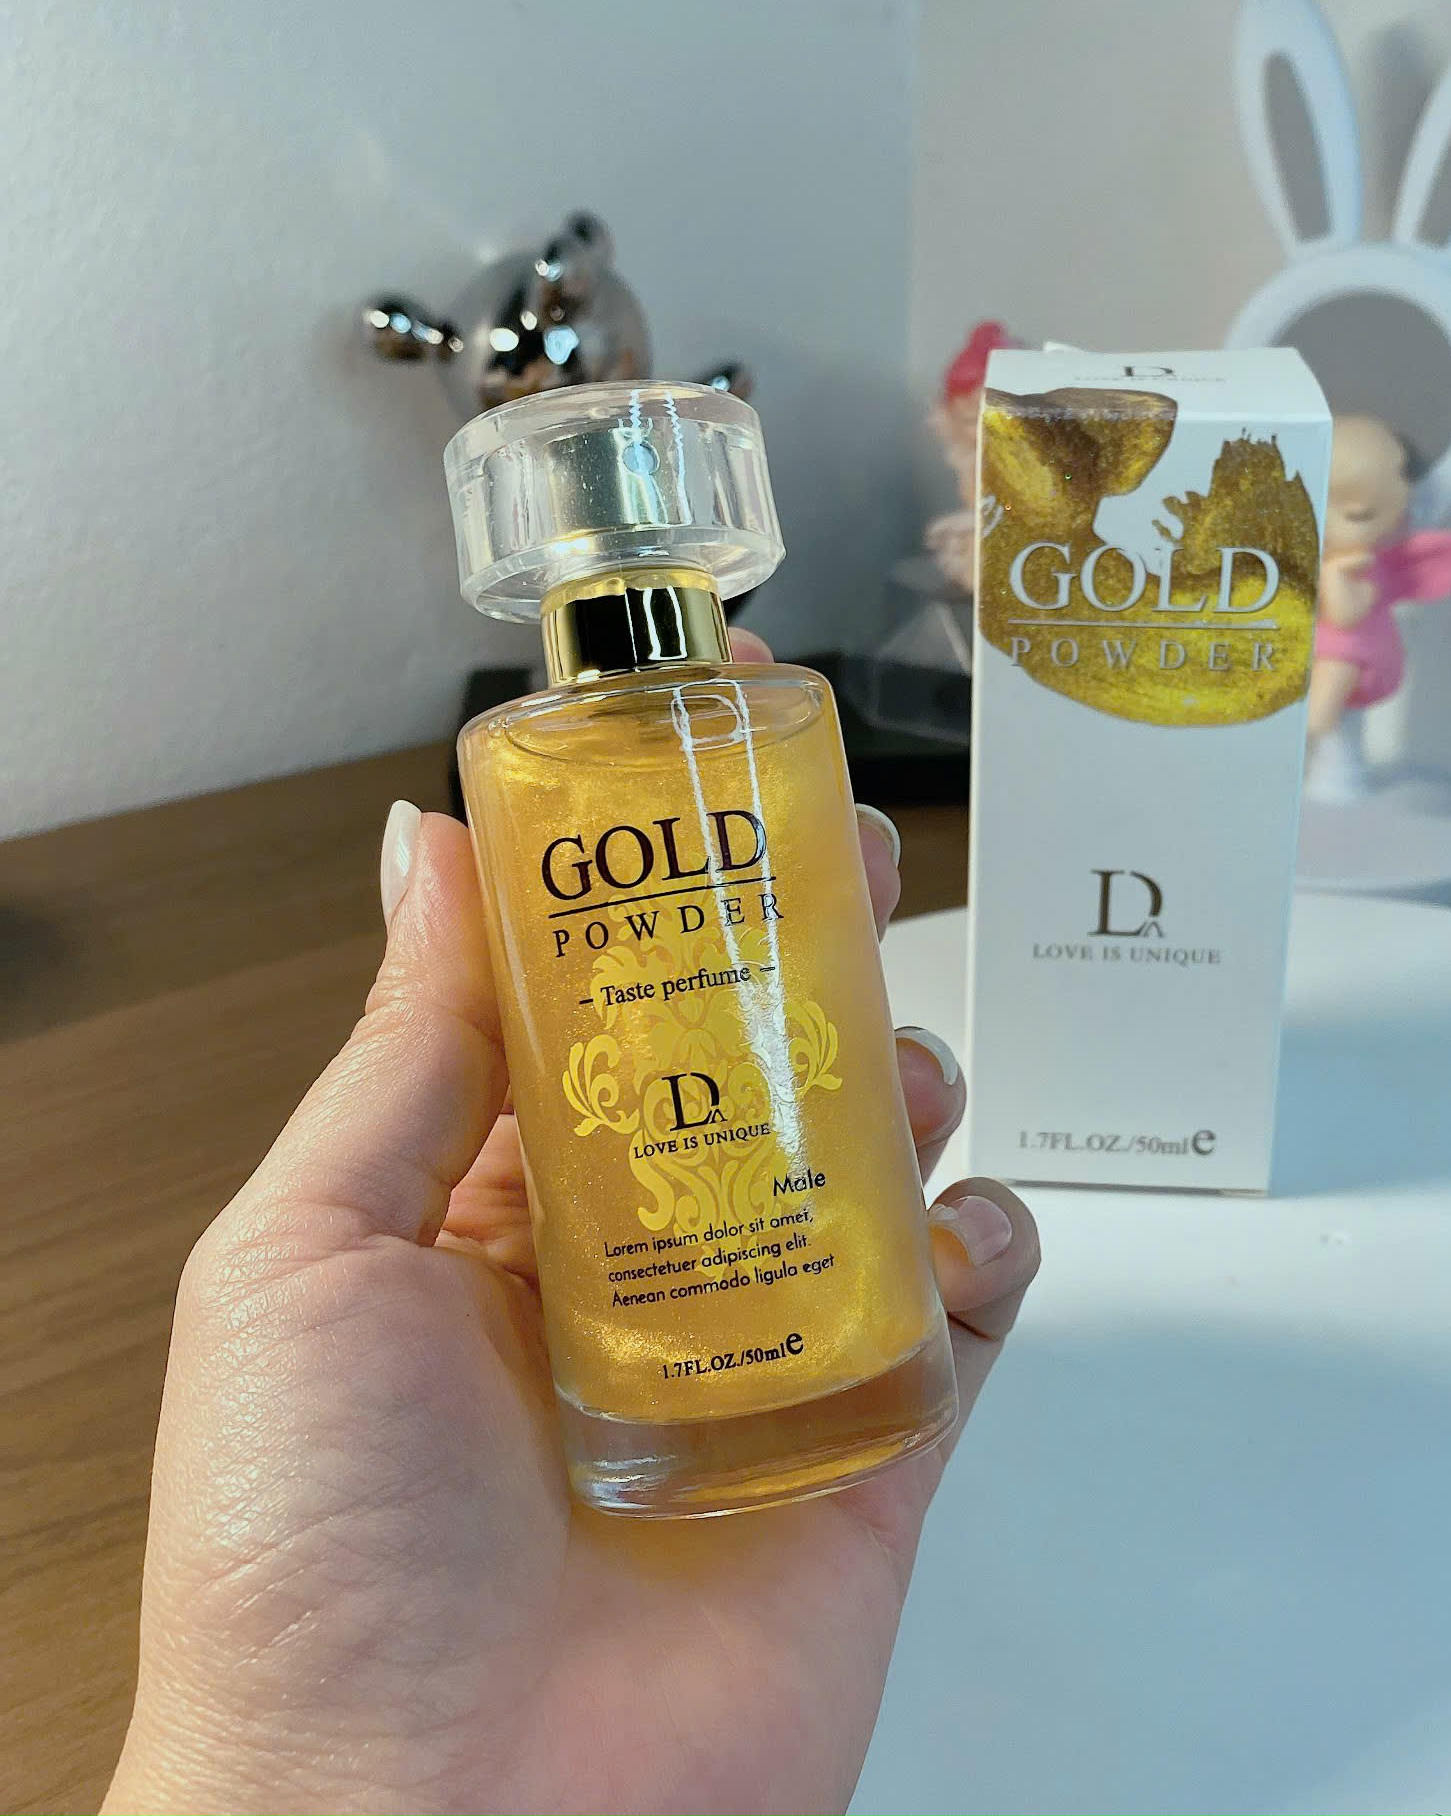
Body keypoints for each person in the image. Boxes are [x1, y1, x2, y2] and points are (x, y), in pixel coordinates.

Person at [103, 629, 1041, 1816]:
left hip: (833, 1390)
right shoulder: (521, 755)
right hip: (611, 1434)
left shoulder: (780, 715)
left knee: (852, 1067)